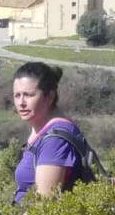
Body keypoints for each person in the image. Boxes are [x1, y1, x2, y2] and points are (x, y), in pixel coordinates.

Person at [10, 60, 93, 203]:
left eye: (29, 95)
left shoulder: (55, 140)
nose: (21, 103)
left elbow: (44, 204)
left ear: (49, 97)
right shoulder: (41, 131)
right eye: (17, 95)